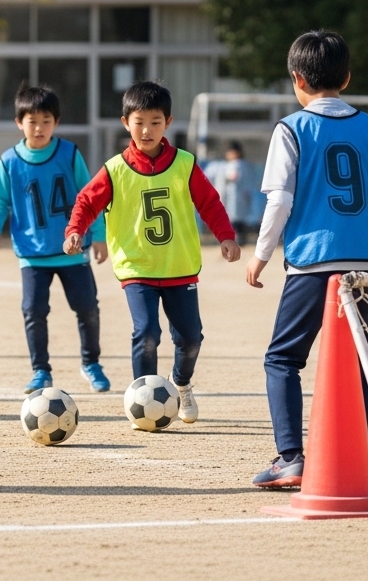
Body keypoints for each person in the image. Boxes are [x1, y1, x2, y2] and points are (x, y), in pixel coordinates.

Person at [246, 30, 368, 489]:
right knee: (358, 360)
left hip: (314, 260)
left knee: (283, 358)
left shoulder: (292, 128)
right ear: (348, 78)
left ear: (297, 79)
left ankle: (290, 457)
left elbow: (279, 200)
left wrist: (260, 255)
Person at [64, 81, 239, 425]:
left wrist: (226, 236)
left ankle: (182, 384)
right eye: (139, 121)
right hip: (137, 268)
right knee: (146, 333)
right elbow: (86, 201)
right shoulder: (115, 169)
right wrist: (75, 230)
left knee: (190, 338)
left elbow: (209, 202)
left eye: (155, 122)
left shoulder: (185, 164)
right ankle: (141, 398)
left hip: (180, 268)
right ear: (125, 122)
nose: (147, 130)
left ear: (168, 123)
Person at [0, 85, 111, 394]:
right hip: (32, 252)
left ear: (56, 122)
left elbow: (90, 196)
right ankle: (41, 370)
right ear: (19, 123)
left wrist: (97, 235)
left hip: (72, 249)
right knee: (33, 312)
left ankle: (91, 363)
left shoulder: (68, 154)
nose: (39, 127)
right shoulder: (9, 161)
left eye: (46, 120)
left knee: (87, 309)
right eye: (32, 121)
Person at [203, 140, 259, 246]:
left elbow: (232, 176)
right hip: (235, 198)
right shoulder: (231, 165)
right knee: (234, 219)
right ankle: (236, 240)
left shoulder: (239, 165)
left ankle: (237, 240)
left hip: (237, 198)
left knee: (236, 220)